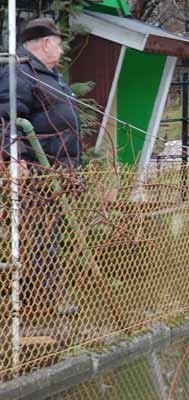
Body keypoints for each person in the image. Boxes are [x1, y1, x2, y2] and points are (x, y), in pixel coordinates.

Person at [0, 18, 81, 315]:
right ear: (46, 43)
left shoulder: (50, 76)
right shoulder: (20, 74)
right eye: (58, 45)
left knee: (50, 235)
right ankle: (44, 302)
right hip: (37, 170)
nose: (61, 52)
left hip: (59, 169)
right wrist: (15, 158)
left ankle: (47, 298)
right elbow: (7, 118)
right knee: (39, 238)